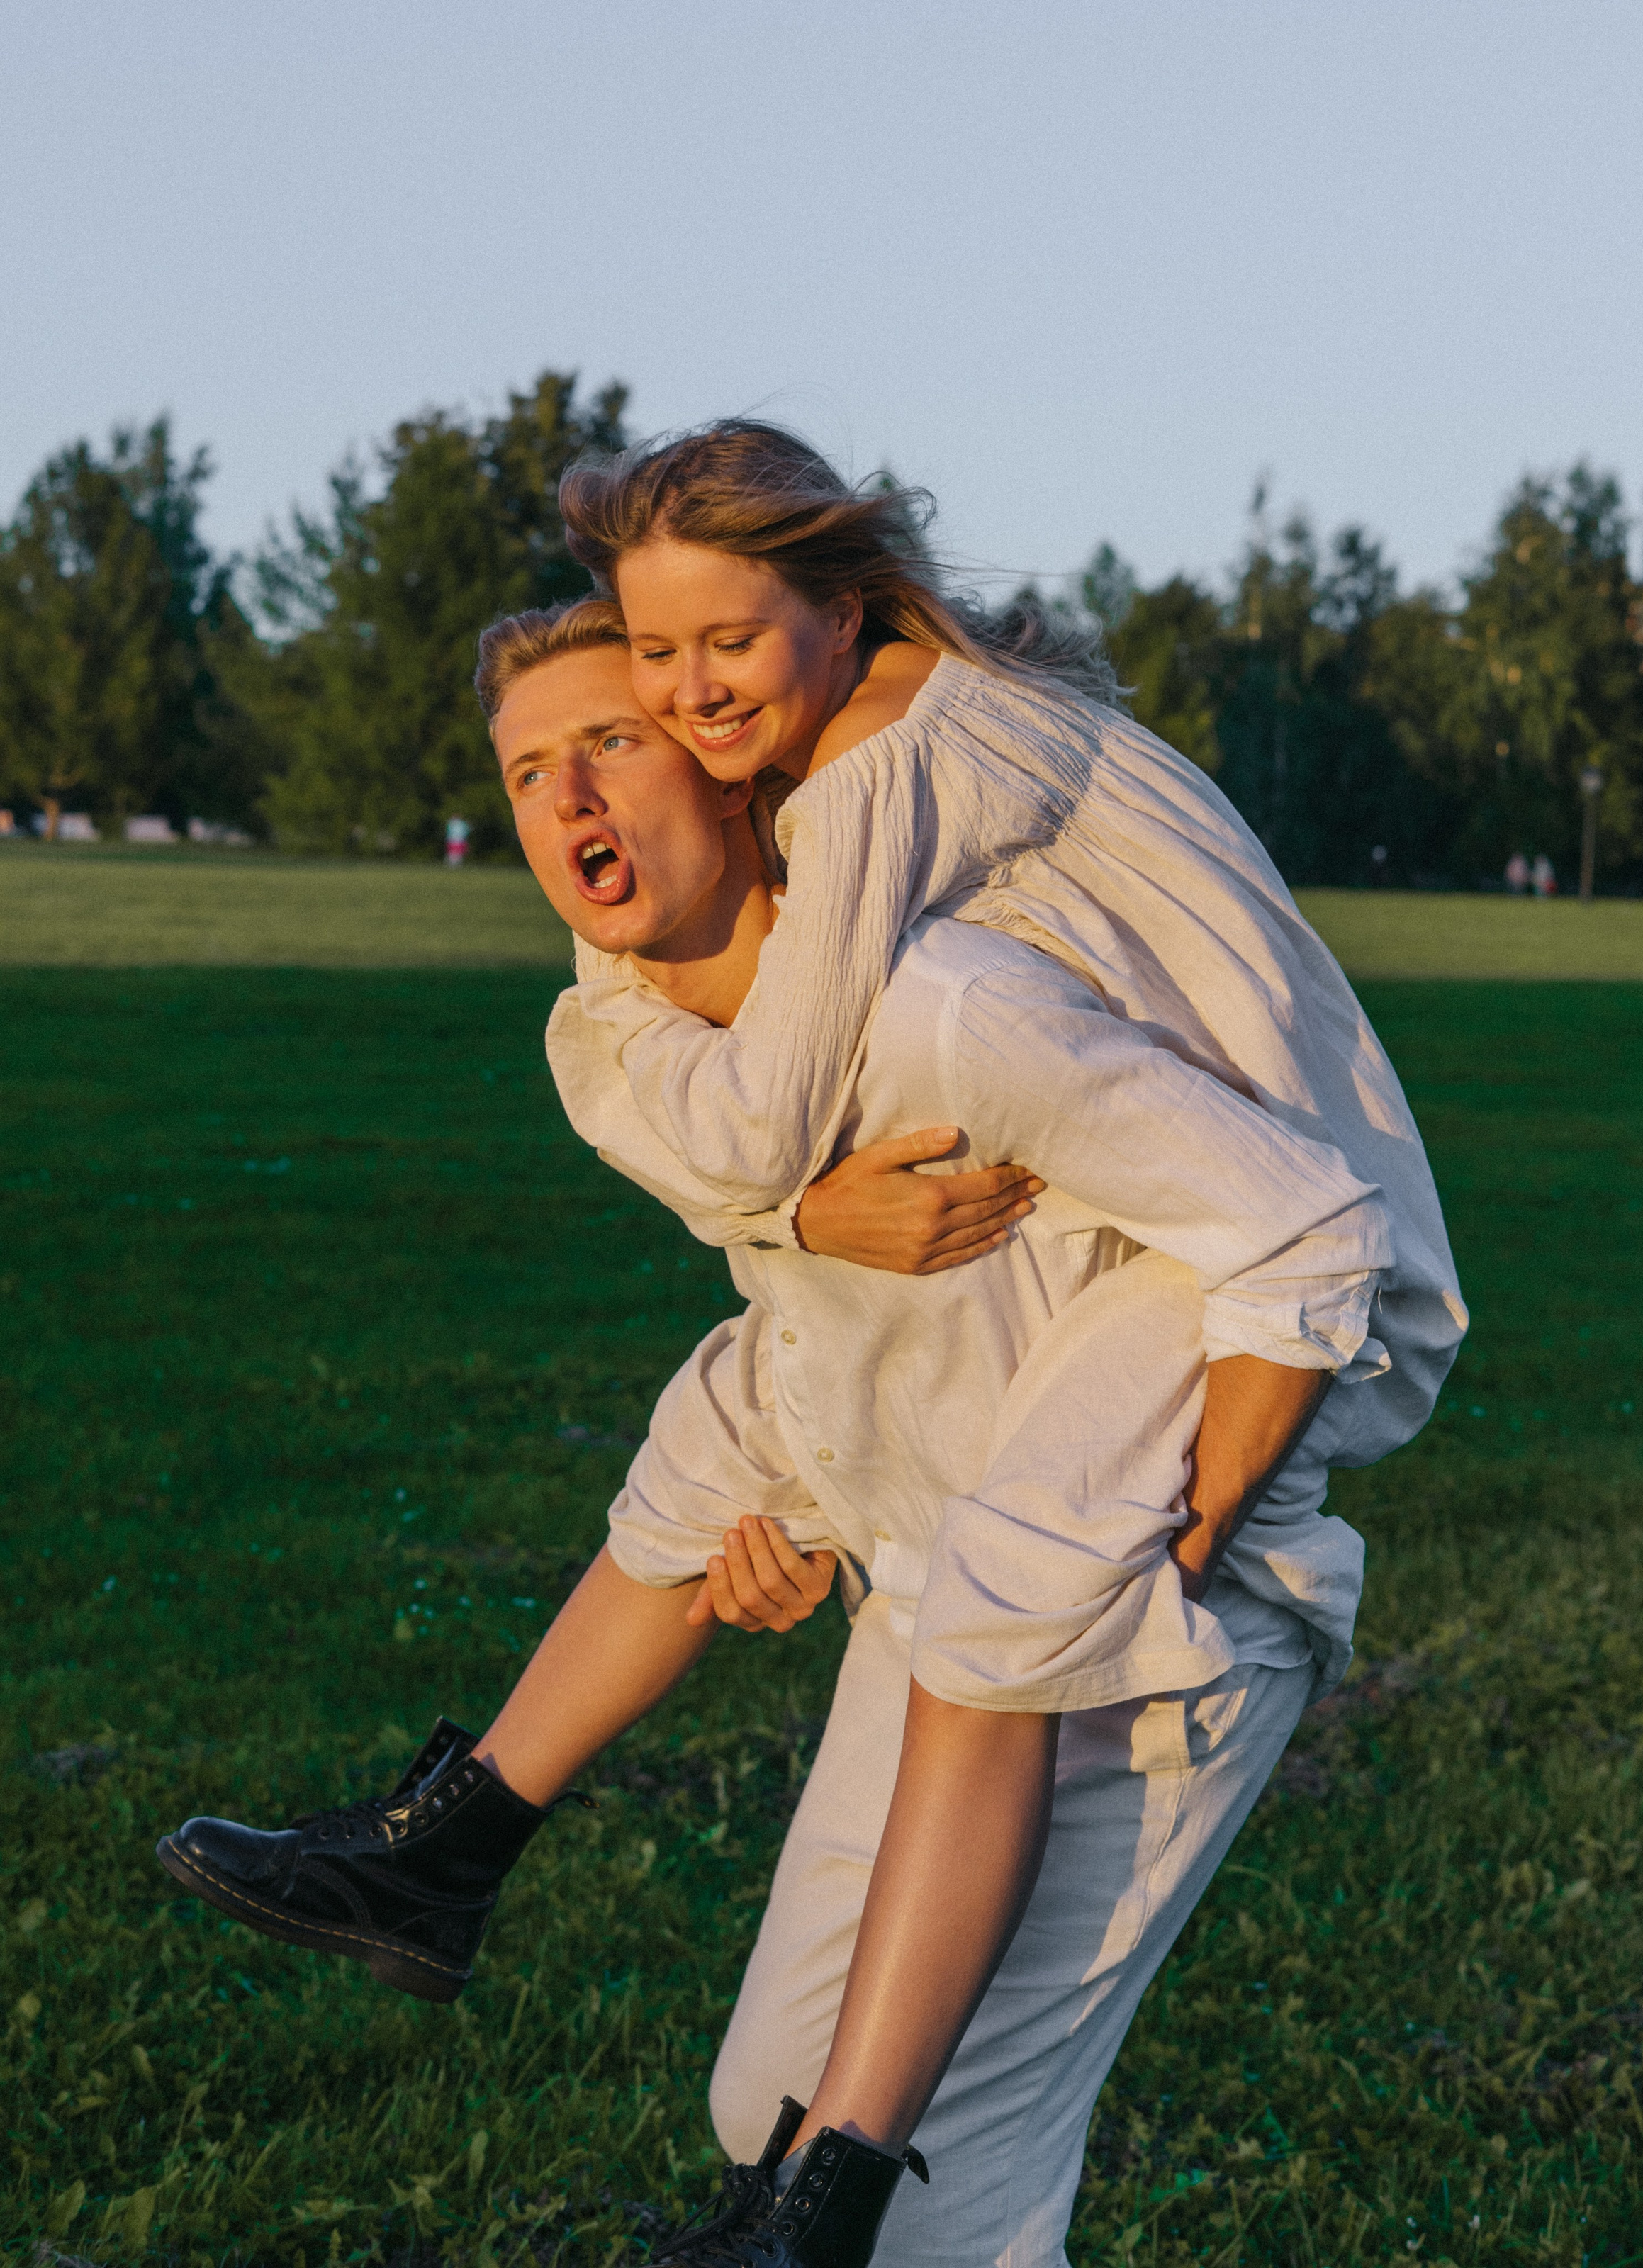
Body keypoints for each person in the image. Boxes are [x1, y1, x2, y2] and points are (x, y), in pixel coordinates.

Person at [157, 615, 1437, 2268]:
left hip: (1136, 1629)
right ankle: (453, 1846)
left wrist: (1166, 1557)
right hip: (935, 1602)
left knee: (937, 2203)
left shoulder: (953, 1009)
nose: (566, 799)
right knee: (761, 2103)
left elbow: (1299, 1239)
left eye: (607, 744)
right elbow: (860, 1360)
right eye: (526, 771)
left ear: (729, 770)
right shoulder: (658, 1047)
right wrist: (814, 1508)